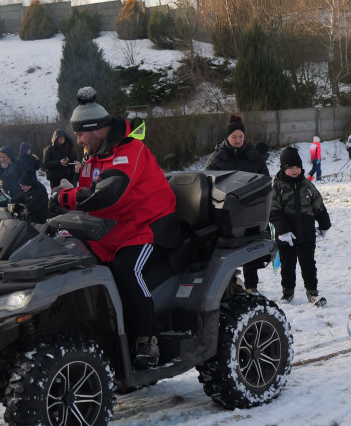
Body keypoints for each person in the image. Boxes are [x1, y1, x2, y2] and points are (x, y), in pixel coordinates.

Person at [58, 87, 180, 369]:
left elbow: (107, 194)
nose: (78, 140)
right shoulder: (93, 156)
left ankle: (147, 339)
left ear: (97, 129)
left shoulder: (129, 151)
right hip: (110, 228)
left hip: (145, 225)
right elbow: (87, 197)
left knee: (127, 271)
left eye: (80, 134)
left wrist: (63, 198)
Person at [205, 113, 270, 292]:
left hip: (250, 208)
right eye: (234, 136)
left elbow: (265, 180)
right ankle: (229, 284)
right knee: (228, 251)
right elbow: (206, 182)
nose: (238, 140)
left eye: (241, 136)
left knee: (250, 248)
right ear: (228, 137)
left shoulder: (253, 155)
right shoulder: (217, 157)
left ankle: (251, 286)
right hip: (225, 210)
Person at [270, 147, 331, 305]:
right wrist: (282, 231)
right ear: (283, 168)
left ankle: (312, 292)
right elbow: (273, 211)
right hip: (286, 236)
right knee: (287, 266)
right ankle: (287, 293)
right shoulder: (277, 187)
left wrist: (324, 225)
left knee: (308, 264)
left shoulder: (307, 186)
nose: (295, 170)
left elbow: (318, 206)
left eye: (297, 167)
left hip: (306, 234)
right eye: (290, 167)